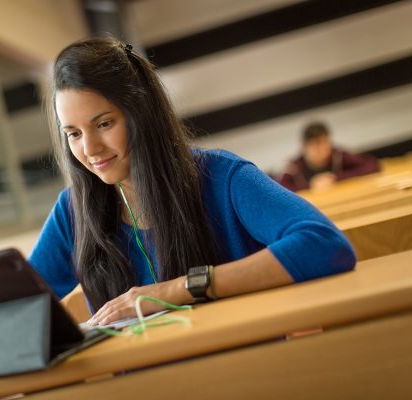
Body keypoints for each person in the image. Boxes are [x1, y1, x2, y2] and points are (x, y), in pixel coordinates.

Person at [28, 36, 356, 327]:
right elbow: (18, 306)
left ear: (141, 114)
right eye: (73, 133)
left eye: (103, 124)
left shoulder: (222, 177)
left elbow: (325, 246)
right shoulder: (73, 212)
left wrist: (178, 289)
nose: (89, 149)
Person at [276, 122, 380, 192]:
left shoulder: (339, 156)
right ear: (304, 146)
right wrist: (311, 186)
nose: (321, 151)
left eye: (324, 144)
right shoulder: (294, 167)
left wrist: (335, 179)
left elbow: (372, 165)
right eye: (315, 146)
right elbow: (280, 189)